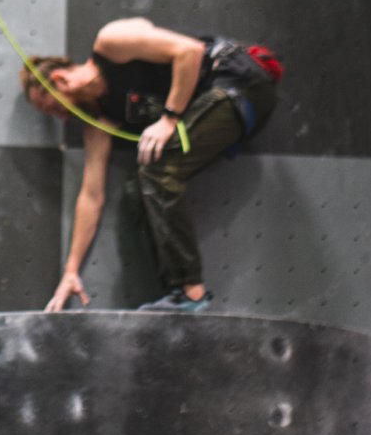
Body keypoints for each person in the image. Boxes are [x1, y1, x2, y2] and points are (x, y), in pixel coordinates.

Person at [21, 18, 280, 312]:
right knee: (137, 190)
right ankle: (176, 294)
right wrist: (70, 271)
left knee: (158, 171)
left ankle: (192, 294)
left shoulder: (111, 43)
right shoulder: (101, 124)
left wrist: (169, 119)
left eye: (54, 107)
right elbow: (91, 197)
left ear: (60, 80)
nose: (62, 117)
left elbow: (189, 51)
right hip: (217, 106)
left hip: (238, 83)